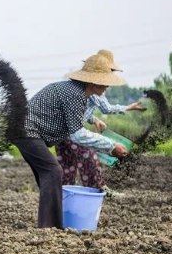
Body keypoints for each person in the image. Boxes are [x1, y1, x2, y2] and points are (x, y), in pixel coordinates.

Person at [14, 54, 128, 229]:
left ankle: (54, 221)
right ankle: (49, 227)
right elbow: (77, 134)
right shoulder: (75, 94)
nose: (107, 86)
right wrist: (111, 146)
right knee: (53, 172)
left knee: (48, 177)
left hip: (27, 131)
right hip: (28, 132)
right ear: (93, 82)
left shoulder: (76, 91)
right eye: (104, 81)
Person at [55, 50, 146, 196]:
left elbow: (78, 110)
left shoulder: (76, 86)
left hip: (60, 132)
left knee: (67, 166)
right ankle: (98, 189)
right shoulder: (92, 86)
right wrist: (128, 107)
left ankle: (64, 196)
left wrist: (93, 119)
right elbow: (106, 108)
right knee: (88, 155)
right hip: (72, 131)